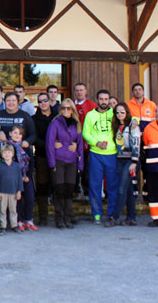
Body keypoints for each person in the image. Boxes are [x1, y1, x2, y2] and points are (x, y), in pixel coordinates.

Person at [46, 99, 84, 228]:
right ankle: (60, 218)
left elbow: (80, 145)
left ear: (72, 110)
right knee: (59, 189)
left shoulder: (76, 124)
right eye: (63, 108)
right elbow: (50, 144)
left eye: (68, 108)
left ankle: (68, 217)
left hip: (72, 160)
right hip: (59, 160)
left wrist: (80, 164)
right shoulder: (55, 123)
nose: (66, 110)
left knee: (69, 190)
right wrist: (52, 163)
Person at [82, 89, 118, 225]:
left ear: (109, 100)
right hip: (96, 153)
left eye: (106, 99)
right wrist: (96, 143)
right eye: (101, 99)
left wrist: (134, 122)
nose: (104, 101)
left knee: (112, 185)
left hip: (112, 154)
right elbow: (86, 133)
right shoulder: (90, 115)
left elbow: (127, 119)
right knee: (95, 185)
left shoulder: (114, 113)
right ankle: (97, 213)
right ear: (97, 100)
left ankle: (111, 214)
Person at [111, 103, 141, 227]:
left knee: (122, 188)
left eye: (122, 112)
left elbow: (136, 143)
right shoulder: (117, 126)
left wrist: (134, 161)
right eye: (117, 112)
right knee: (128, 190)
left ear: (127, 112)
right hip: (120, 159)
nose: (120, 114)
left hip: (130, 161)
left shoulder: (132, 126)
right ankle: (131, 217)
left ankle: (114, 216)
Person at [32, 93, 54, 226]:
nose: (43, 103)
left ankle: (62, 216)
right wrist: (48, 145)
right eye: (40, 102)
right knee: (42, 185)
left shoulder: (58, 116)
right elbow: (34, 137)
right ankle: (43, 216)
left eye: (45, 101)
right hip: (42, 155)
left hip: (58, 155)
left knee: (58, 185)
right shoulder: (34, 119)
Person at [10, 125, 36, 231]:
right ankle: (19, 220)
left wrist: (28, 176)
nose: (17, 135)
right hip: (16, 179)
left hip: (26, 177)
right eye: (15, 133)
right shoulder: (9, 147)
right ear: (10, 134)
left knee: (30, 198)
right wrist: (18, 177)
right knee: (18, 200)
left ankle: (28, 219)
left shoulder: (26, 147)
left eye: (19, 133)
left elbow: (31, 162)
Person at [74, 82, 97, 198]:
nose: (79, 92)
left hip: (87, 143)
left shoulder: (92, 106)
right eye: (77, 90)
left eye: (81, 90)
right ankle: (75, 191)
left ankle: (87, 193)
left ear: (86, 91)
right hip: (73, 143)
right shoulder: (71, 105)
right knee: (73, 168)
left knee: (87, 169)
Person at [0, 144, 23, 232]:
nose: (7, 154)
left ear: (13, 154)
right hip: (3, 191)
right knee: (3, 210)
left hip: (13, 191)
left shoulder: (16, 166)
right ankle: (3, 225)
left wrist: (19, 191)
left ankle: (14, 225)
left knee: (13, 210)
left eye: (9, 152)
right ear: (2, 154)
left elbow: (19, 179)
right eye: (5, 153)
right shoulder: (0, 166)